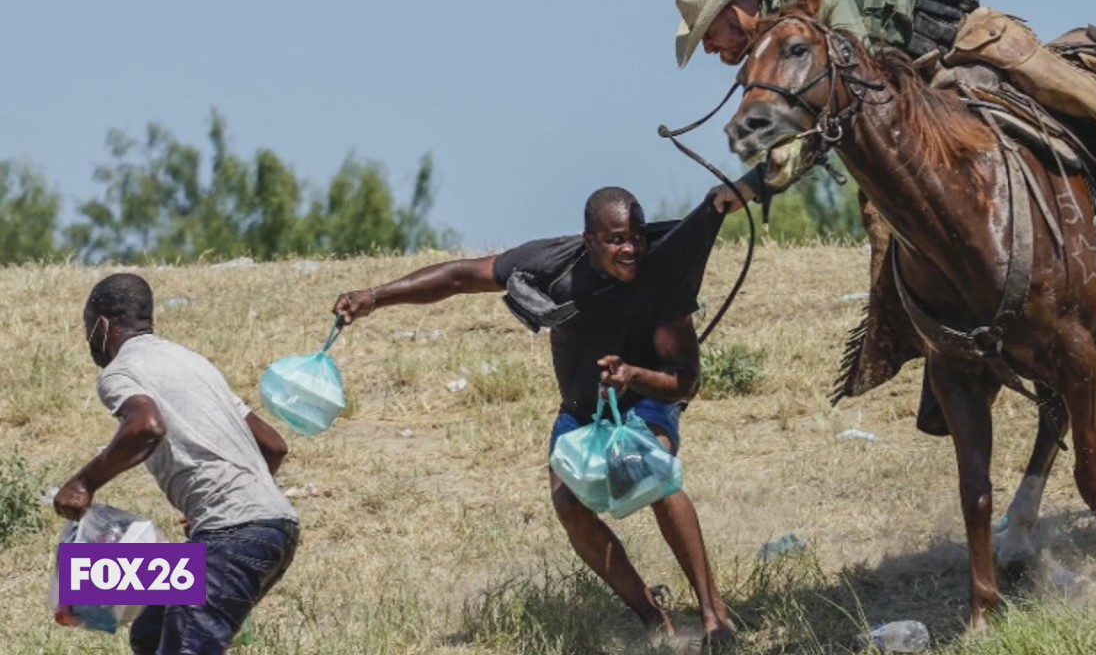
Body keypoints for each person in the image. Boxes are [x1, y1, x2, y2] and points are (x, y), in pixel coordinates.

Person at [674, 0, 1096, 432]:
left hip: (970, 48)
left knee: (1078, 101)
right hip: (920, 94)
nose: (710, 50)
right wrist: (753, 181)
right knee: (890, 213)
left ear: (736, 8)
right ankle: (938, 341)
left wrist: (757, 179)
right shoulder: (777, 48)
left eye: (710, 34)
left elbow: (856, 78)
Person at [331, 187, 736, 647]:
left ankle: (713, 614)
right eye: (618, 239)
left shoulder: (662, 278)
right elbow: (462, 277)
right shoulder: (552, 262)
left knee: (650, 472)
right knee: (569, 507)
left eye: (639, 237)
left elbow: (686, 382)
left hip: (644, 400)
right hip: (582, 413)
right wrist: (376, 297)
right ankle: (651, 617)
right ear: (590, 240)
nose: (632, 250)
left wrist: (634, 375)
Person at [53, 273, 299, 655]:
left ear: (101, 322)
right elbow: (274, 446)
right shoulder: (193, 362)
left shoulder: (121, 371)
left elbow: (146, 427)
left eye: (88, 326)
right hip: (275, 528)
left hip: (231, 534)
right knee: (151, 634)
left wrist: (83, 483)